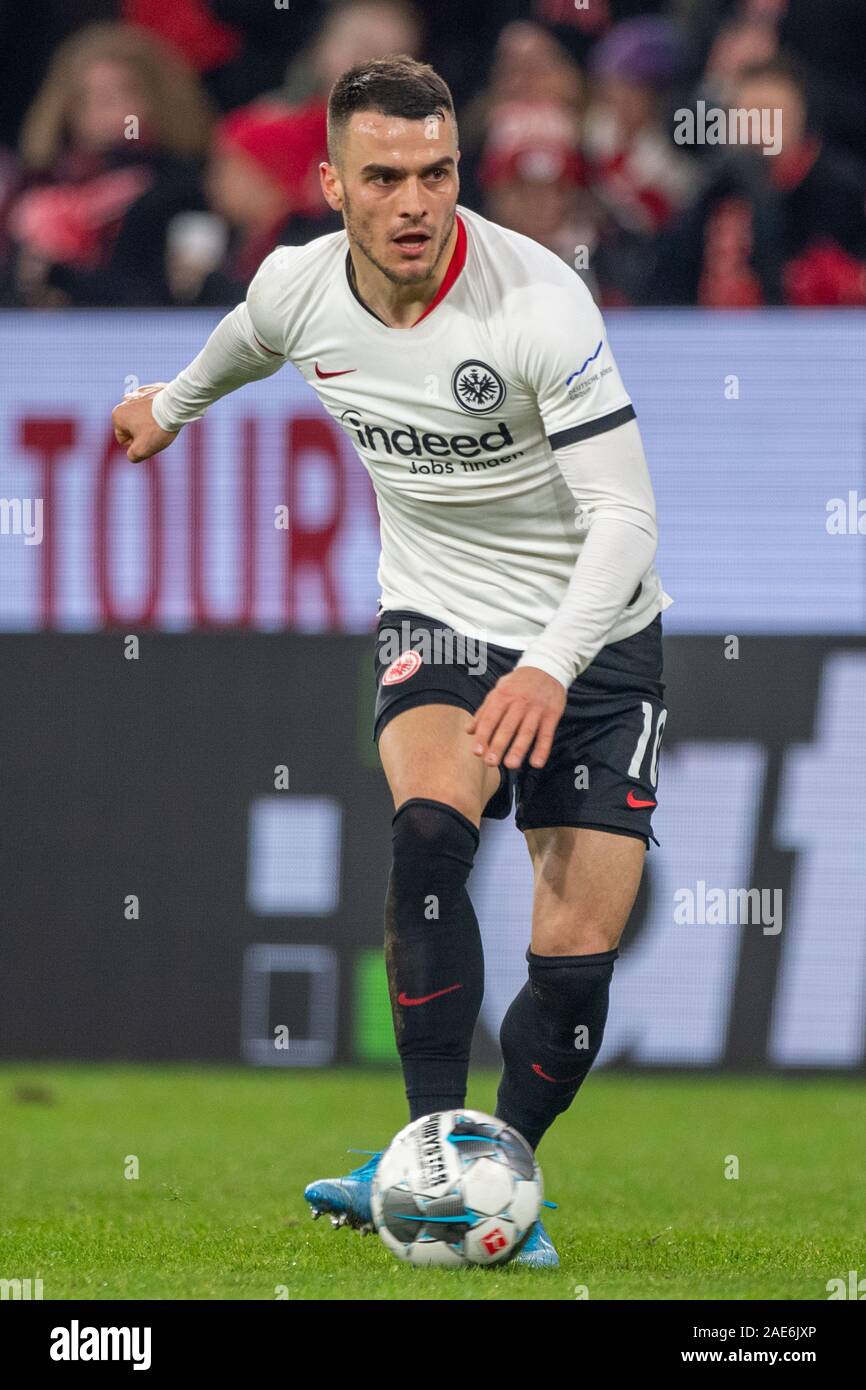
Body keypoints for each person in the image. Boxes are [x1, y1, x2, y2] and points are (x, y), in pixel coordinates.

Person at [111, 54, 671, 1268]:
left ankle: (497, 1167)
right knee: (428, 829)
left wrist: (551, 667)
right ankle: (428, 1158)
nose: (415, 202)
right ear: (331, 184)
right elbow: (246, 341)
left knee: (571, 968)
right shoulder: (297, 287)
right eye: (384, 177)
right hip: (437, 616)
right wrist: (171, 406)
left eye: (436, 172)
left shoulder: (534, 303)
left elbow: (626, 521)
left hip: (595, 629)